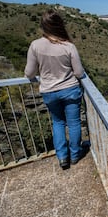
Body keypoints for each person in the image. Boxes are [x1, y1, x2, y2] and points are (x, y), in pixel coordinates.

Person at [25, 9, 85, 169]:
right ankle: (75, 155)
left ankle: (62, 158)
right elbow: (79, 72)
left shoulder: (35, 45)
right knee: (73, 123)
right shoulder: (69, 46)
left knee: (57, 123)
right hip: (70, 90)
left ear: (43, 27)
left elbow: (29, 73)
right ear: (60, 26)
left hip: (49, 92)